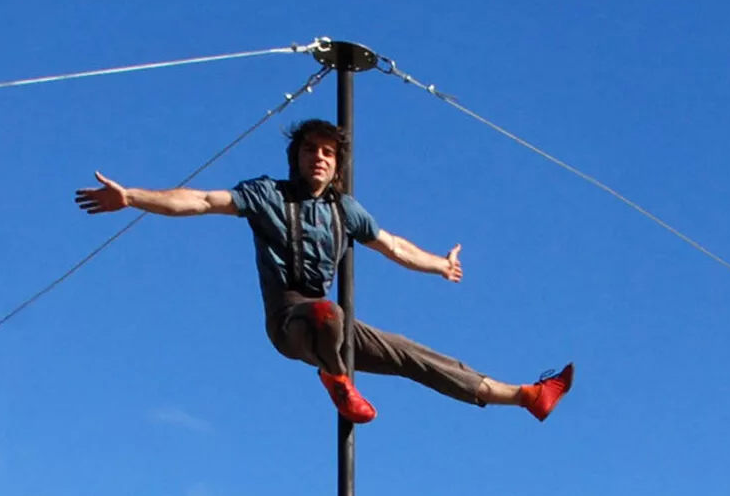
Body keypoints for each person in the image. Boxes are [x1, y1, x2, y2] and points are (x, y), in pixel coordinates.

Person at [75, 119, 572, 424]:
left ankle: (524, 396)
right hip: (291, 320)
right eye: (311, 150)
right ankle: (336, 381)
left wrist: (440, 264)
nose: (319, 158)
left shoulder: (344, 211)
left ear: (337, 167)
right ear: (296, 158)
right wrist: (132, 197)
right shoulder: (268, 196)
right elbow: (202, 200)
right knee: (325, 315)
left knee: (411, 354)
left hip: (330, 320)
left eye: (328, 153)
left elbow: (393, 245)